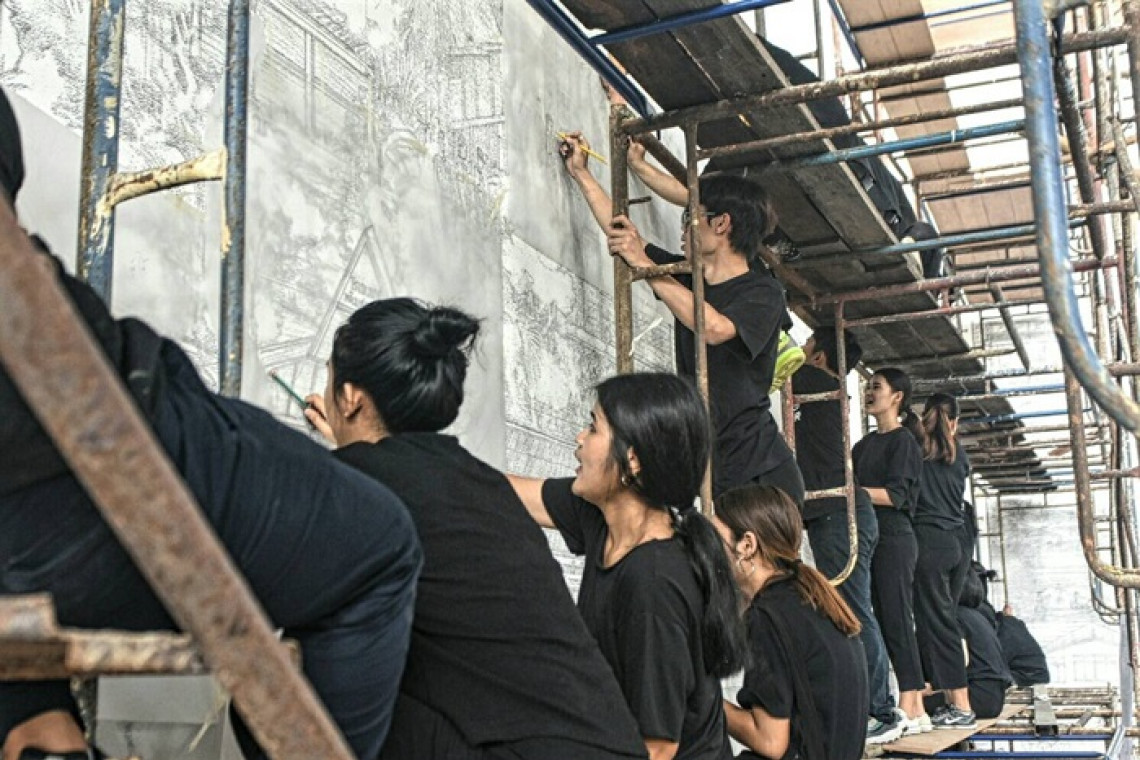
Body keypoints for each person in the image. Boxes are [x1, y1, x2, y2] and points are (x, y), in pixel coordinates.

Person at [0, 91, 421, 760]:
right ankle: (39, 729)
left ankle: (37, 726)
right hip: (70, 471)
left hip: (36, 512)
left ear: (349, 397)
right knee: (381, 548)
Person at [301, 298, 648, 760]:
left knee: (310, 678)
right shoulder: (483, 484)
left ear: (349, 398)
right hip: (612, 749)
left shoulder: (360, 486)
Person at [510, 373, 749, 760]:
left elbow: (657, 748)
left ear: (632, 459)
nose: (579, 439)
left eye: (593, 427)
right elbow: (502, 491)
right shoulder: (600, 518)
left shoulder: (653, 585)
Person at [561, 138, 804, 504]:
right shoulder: (687, 279)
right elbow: (625, 237)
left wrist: (647, 267)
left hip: (761, 472)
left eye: (690, 217)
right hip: (715, 466)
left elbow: (716, 328)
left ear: (721, 224)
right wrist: (581, 172)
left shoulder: (763, 291)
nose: (683, 228)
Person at [793, 328, 902, 744]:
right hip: (837, 517)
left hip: (841, 518)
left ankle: (880, 711)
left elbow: (768, 360)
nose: (800, 349)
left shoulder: (817, 380)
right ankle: (872, 707)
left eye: (806, 344)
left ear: (819, 355)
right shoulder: (826, 389)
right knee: (850, 612)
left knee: (854, 613)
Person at [715, 485, 868, 760]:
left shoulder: (767, 616)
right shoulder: (806, 597)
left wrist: (704, 702)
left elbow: (771, 742)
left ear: (747, 545)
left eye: (715, 541)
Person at [852, 368, 927, 734]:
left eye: (877, 387)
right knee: (877, 619)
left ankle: (912, 704)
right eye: (868, 386)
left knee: (896, 618)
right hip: (870, 535)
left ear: (897, 397)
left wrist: (853, 493)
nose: (870, 392)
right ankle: (906, 706)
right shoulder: (863, 446)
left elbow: (896, 496)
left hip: (895, 538)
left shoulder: (904, 443)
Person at [912, 393, 977, 729]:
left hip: (929, 544)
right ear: (955, 422)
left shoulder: (918, 453)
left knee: (939, 625)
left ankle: (962, 706)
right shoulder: (958, 456)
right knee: (943, 621)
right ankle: (952, 702)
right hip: (956, 544)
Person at [949, 571, 1013, 720]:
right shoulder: (979, 616)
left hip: (976, 698)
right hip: (994, 698)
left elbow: (960, 662)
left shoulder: (954, 617)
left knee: (915, 702)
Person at [996, 603, 1051, 688]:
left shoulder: (1006, 630)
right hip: (1034, 674)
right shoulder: (1012, 625)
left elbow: (996, 662)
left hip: (1029, 676)